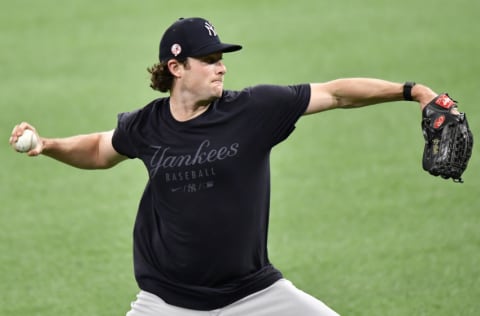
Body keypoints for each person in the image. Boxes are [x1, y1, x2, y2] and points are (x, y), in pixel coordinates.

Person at [10, 17, 441, 316]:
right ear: (176, 68)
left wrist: (414, 91)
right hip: (167, 301)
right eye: (210, 59)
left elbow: (336, 93)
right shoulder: (148, 124)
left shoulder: (254, 109)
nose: (222, 66)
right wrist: (47, 144)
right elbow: (101, 149)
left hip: (253, 295)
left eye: (221, 57)